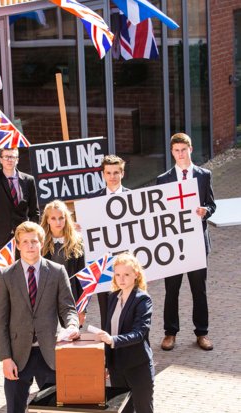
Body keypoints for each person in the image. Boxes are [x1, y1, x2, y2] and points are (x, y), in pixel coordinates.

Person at [0, 221, 80, 413]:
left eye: (34, 241)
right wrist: (5, 358)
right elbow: (0, 321)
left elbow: (68, 308)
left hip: (49, 353)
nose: (30, 246)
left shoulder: (57, 272)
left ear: (42, 242)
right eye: (24, 241)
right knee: (15, 409)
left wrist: (73, 325)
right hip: (17, 356)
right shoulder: (6, 276)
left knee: (53, 409)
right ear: (17, 245)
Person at [157, 133, 216, 351]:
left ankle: (202, 333)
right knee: (171, 289)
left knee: (198, 289)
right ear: (172, 152)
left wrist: (205, 211)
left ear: (190, 149)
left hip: (196, 242)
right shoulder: (163, 179)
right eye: (176, 150)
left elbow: (212, 204)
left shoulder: (204, 175)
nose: (180, 154)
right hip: (173, 244)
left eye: (184, 149)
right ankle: (170, 333)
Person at [97, 252, 154, 413]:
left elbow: (140, 333)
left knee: (144, 409)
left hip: (138, 366)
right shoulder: (113, 298)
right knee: (122, 410)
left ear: (136, 275)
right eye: (117, 275)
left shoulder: (142, 299)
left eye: (126, 274)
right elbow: (109, 330)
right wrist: (106, 363)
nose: (121, 279)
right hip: (117, 368)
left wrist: (113, 340)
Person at [88, 154, 130, 330]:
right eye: (108, 173)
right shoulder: (92, 199)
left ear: (122, 173)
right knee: (105, 305)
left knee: (128, 303)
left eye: (116, 172)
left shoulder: (133, 198)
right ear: (103, 175)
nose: (112, 176)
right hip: (102, 261)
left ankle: (126, 342)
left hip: (126, 261)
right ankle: (108, 346)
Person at [0, 147, 40, 248]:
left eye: (12, 157)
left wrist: (32, 233)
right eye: (6, 157)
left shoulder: (28, 180)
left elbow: (34, 212)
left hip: (22, 236)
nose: (9, 160)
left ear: (17, 160)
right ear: (0, 160)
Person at [41, 200, 86, 326]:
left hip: (70, 298)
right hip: (47, 300)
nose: (58, 222)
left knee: (71, 338)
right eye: (53, 218)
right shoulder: (40, 242)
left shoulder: (76, 241)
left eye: (61, 218)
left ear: (66, 219)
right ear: (47, 220)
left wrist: (82, 308)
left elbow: (81, 276)